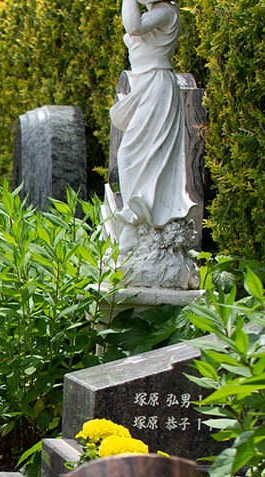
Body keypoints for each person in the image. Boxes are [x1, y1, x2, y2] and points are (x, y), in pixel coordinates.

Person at [102, 0, 200, 289]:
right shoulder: (151, 13)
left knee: (134, 155)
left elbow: (133, 26)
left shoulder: (166, 12)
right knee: (131, 155)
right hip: (144, 86)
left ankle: (145, 223)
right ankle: (135, 227)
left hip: (158, 86)